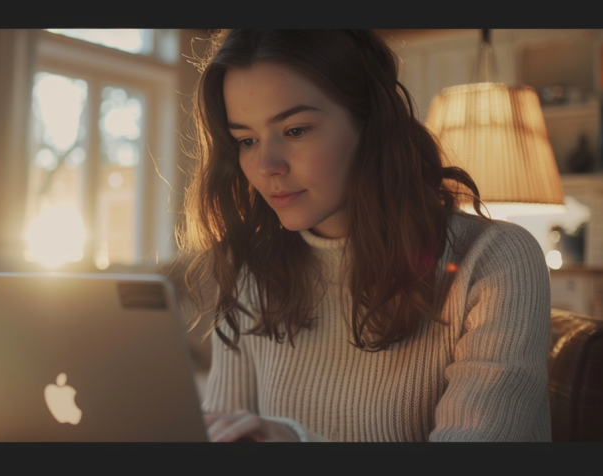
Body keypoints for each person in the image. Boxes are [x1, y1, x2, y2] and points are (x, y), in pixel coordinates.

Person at [179, 29, 551, 442]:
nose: (267, 165)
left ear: (370, 123)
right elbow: (227, 431)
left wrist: (296, 442)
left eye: (296, 130)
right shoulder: (254, 269)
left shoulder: (495, 260)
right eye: (246, 140)